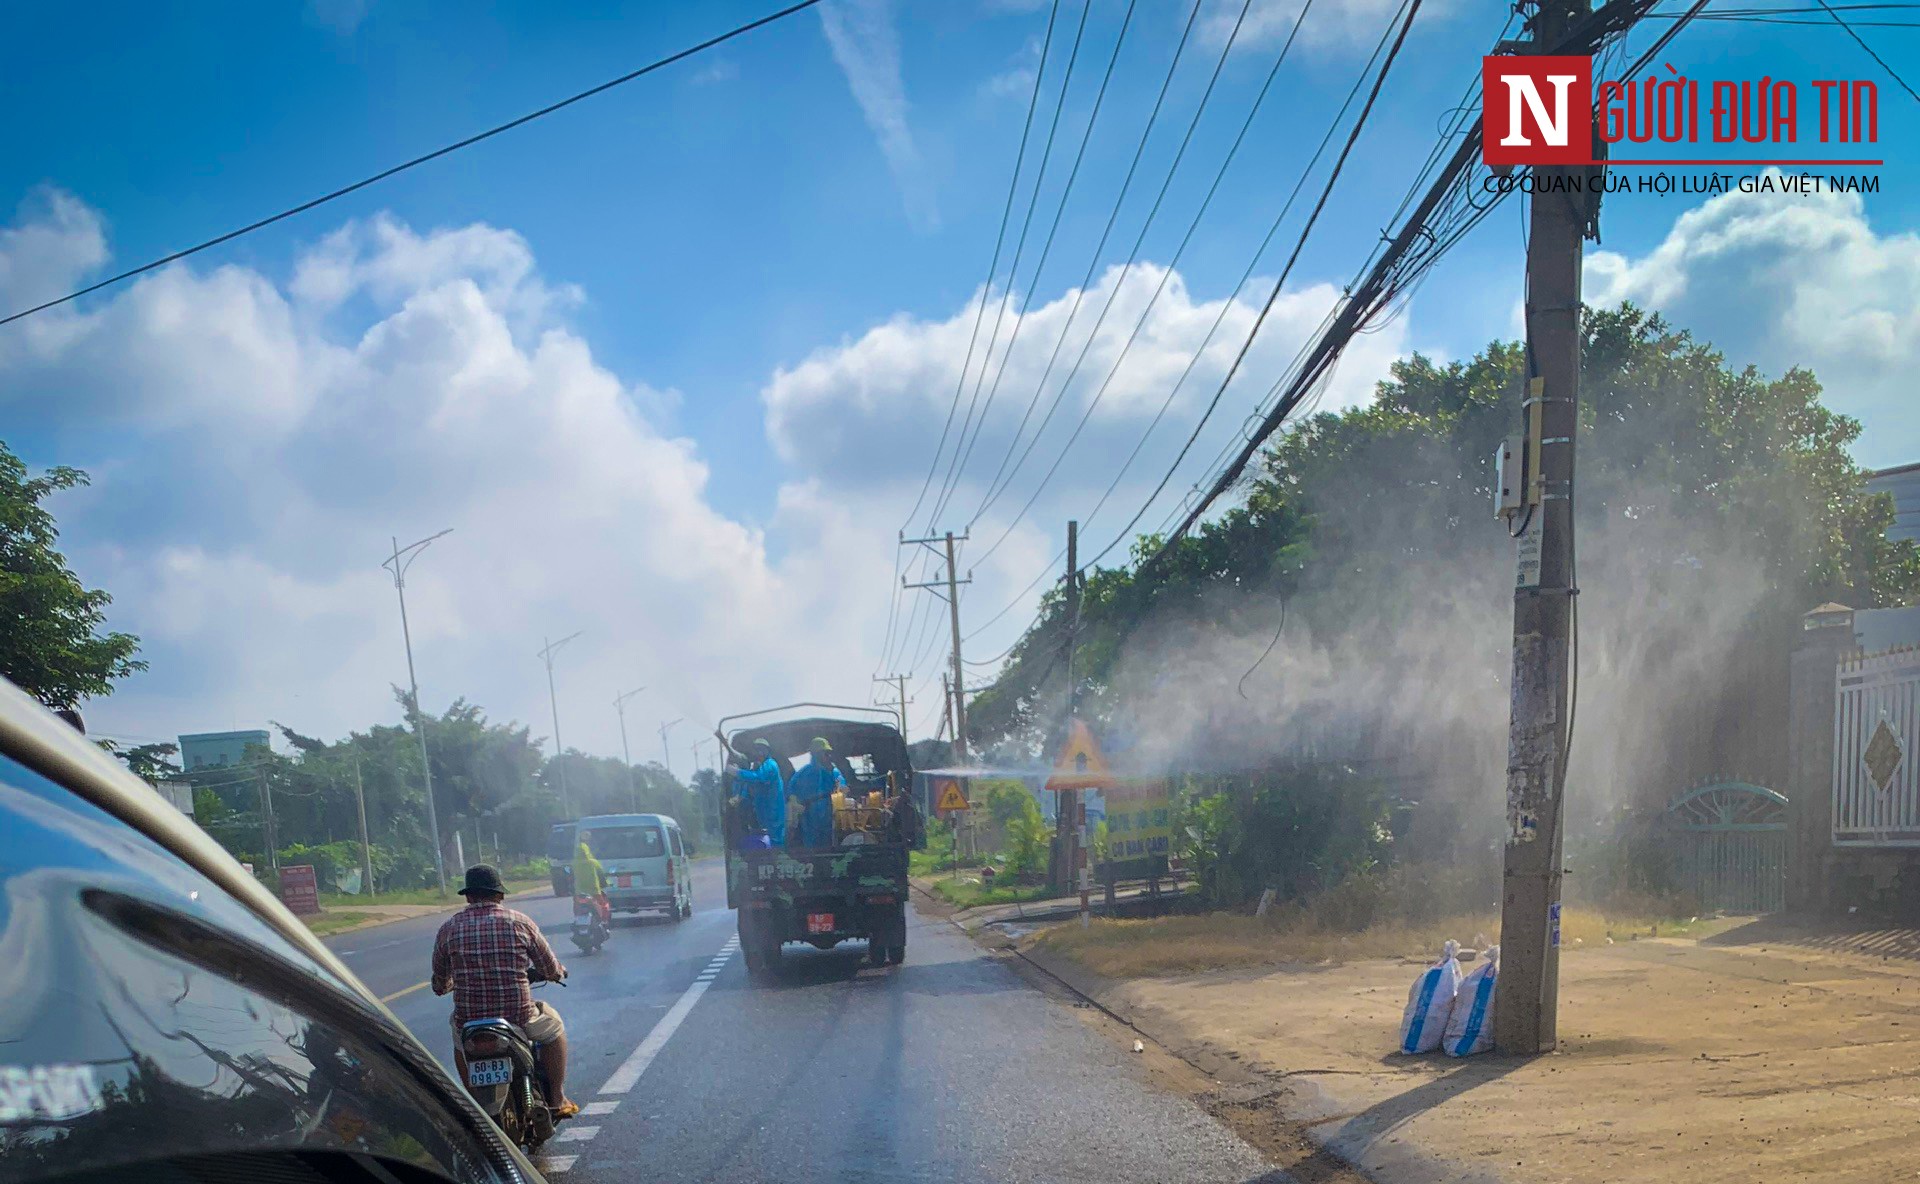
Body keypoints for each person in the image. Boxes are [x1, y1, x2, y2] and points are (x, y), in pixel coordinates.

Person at [431, 864, 578, 1119]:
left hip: (471, 1023)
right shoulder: (520, 923)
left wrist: (450, 983)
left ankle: (477, 1109)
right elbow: (549, 966)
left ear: (468, 896)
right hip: (518, 1018)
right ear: (499, 895)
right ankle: (557, 1097)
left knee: (459, 1043)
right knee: (555, 1030)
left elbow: (439, 983)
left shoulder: (449, 929)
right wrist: (556, 974)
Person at [786, 737, 846, 850]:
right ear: (814, 754)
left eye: (828, 753)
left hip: (830, 811)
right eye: (824, 753)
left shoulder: (833, 771)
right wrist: (795, 802)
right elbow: (791, 788)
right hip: (809, 813)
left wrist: (842, 789)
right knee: (811, 844)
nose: (827, 756)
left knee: (830, 841)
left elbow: (842, 786)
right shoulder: (805, 771)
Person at [732, 738, 787, 847]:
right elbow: (749, 787)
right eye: (756, 749)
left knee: (775, 840)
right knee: (764, 841)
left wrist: (738, 772)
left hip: (773, 811)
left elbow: (759, 777)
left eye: (761, 749)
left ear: (767, 750)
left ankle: (776, 857)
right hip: (763, 813)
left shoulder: (770, 765)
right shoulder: (759, 767)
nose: (759, 752)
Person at [572, 837, 610, 925]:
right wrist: (605, 884)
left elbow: (570, 876)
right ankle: (604, 922)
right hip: (594, 891)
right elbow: (601, 875)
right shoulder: (593, 862)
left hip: (579, 892)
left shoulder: (573, 863)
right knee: (603, 906)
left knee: (577, 907)